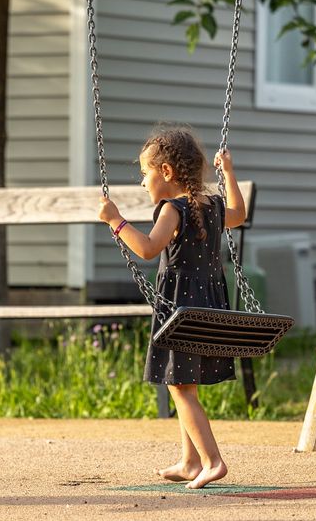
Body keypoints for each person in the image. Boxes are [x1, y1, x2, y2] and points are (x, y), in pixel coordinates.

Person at [98, 127, 245, 489]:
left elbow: (148, 248)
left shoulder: (172, 209)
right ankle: (188, 460)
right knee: (186, 383)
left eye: (145, 172)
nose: (143, 180)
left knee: (179, 387)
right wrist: (228, 171)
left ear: (166, 172)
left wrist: (115, 221)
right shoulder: (210, 206)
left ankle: (212, 461)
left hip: (180, 306)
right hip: (208, 304)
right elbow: (238, 214)